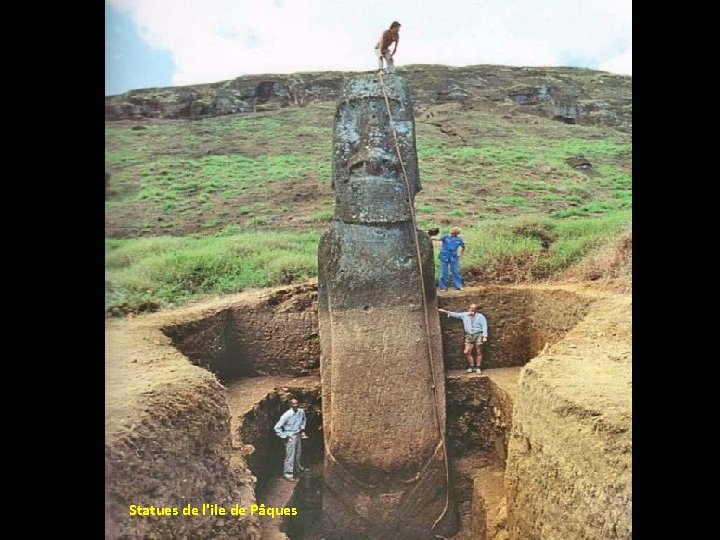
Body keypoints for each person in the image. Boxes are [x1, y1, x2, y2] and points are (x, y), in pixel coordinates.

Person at [438, 304, 488, 374]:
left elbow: (484, 326)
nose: (472, 310)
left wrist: (485, 336)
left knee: (479, 351)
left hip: (478, 334)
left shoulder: (480, 316)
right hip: (469, 335)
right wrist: (445, 311)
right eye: (471, 309)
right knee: (467, 352)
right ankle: (472, 367)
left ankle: (478, 367)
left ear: (476, 310)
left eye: (474, 309)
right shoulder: (464, 315)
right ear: (469, 309)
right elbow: (454, 314)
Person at [274, 398, 308, 481]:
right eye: (293, 404)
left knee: (298, 453)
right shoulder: (287, 415)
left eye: (297, 403)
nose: (296, 405)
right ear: (290, 405)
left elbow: (304, 419)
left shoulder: (301, 412)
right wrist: (284, 436)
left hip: (298, 434)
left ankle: (298, 469)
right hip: (290, 436)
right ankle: (288, 474)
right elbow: (277, 427)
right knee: (290, 456)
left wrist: (302, 429)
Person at [431, 226, 465, 291]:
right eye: (452, 233)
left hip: (454, 257)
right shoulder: (445, 237)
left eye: (454, 233)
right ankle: (443, 287)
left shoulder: (459, 239)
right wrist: (430, 237)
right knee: (444, 272)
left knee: (456, 271)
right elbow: (437, 239)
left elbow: (463, 246)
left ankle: (458, 286)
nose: (452, 234)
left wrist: (460, 254)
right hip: (444, 256)